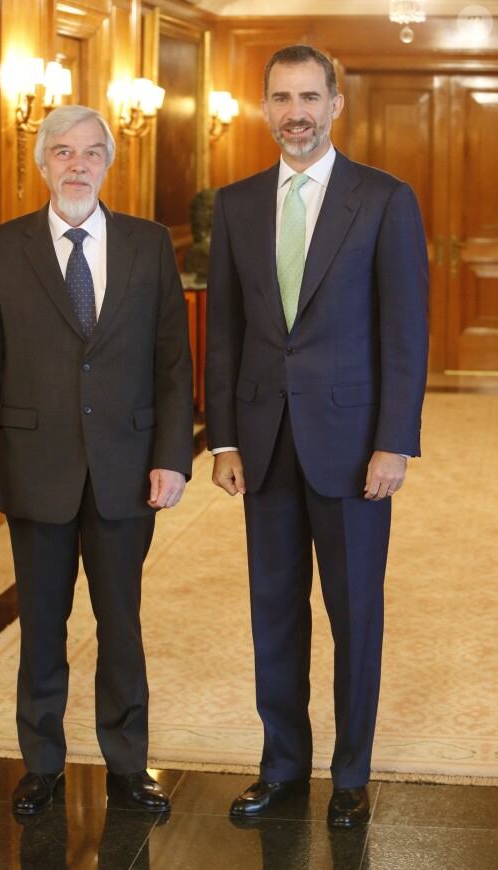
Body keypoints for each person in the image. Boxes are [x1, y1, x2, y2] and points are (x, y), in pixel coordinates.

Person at [205, 45, 428, 828]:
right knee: (275, 611)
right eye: (280, 97)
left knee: (353, 613)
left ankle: (352, 775)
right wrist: (223, 439)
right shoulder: (234, 205)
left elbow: (405, 331)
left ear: (337, 104)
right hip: (263, 445)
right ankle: (283, 767)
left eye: (309, 96)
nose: (295, 111)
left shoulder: (385, 200)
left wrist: (394, 442)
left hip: (354, 448)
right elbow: (224, 334)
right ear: (264, 107)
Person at [0, 105, 194, 816]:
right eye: (62, 152)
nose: (78, 165)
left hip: (128, 469)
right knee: (41, 624)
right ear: (41, 165)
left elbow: (173, 364)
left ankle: (127, 764)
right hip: (36, 470)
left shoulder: (150, 244)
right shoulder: (2, 247)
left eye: (92, 152)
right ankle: (42, 763)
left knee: (121, 623)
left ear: (109, 162)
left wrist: (173, 457)